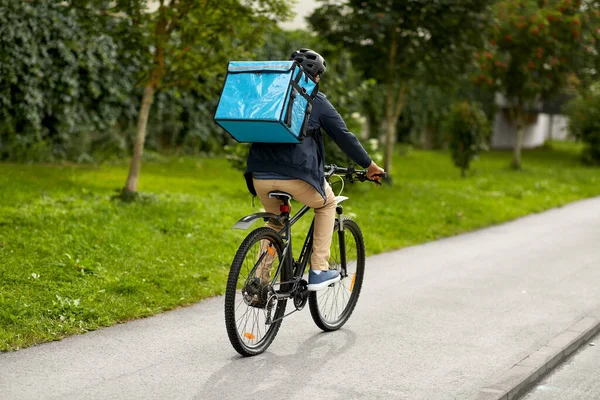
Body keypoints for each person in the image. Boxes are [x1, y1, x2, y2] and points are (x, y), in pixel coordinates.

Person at [244, 48, 385, 292]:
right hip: (296, 177)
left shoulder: (270, 94)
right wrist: (369, 165)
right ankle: (319, 268)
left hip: (260, 176)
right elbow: (344, 136)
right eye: (319, 75)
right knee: (327, 203)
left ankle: (260, 282)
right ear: (315, 76)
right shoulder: (315, 99)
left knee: (276, 223)